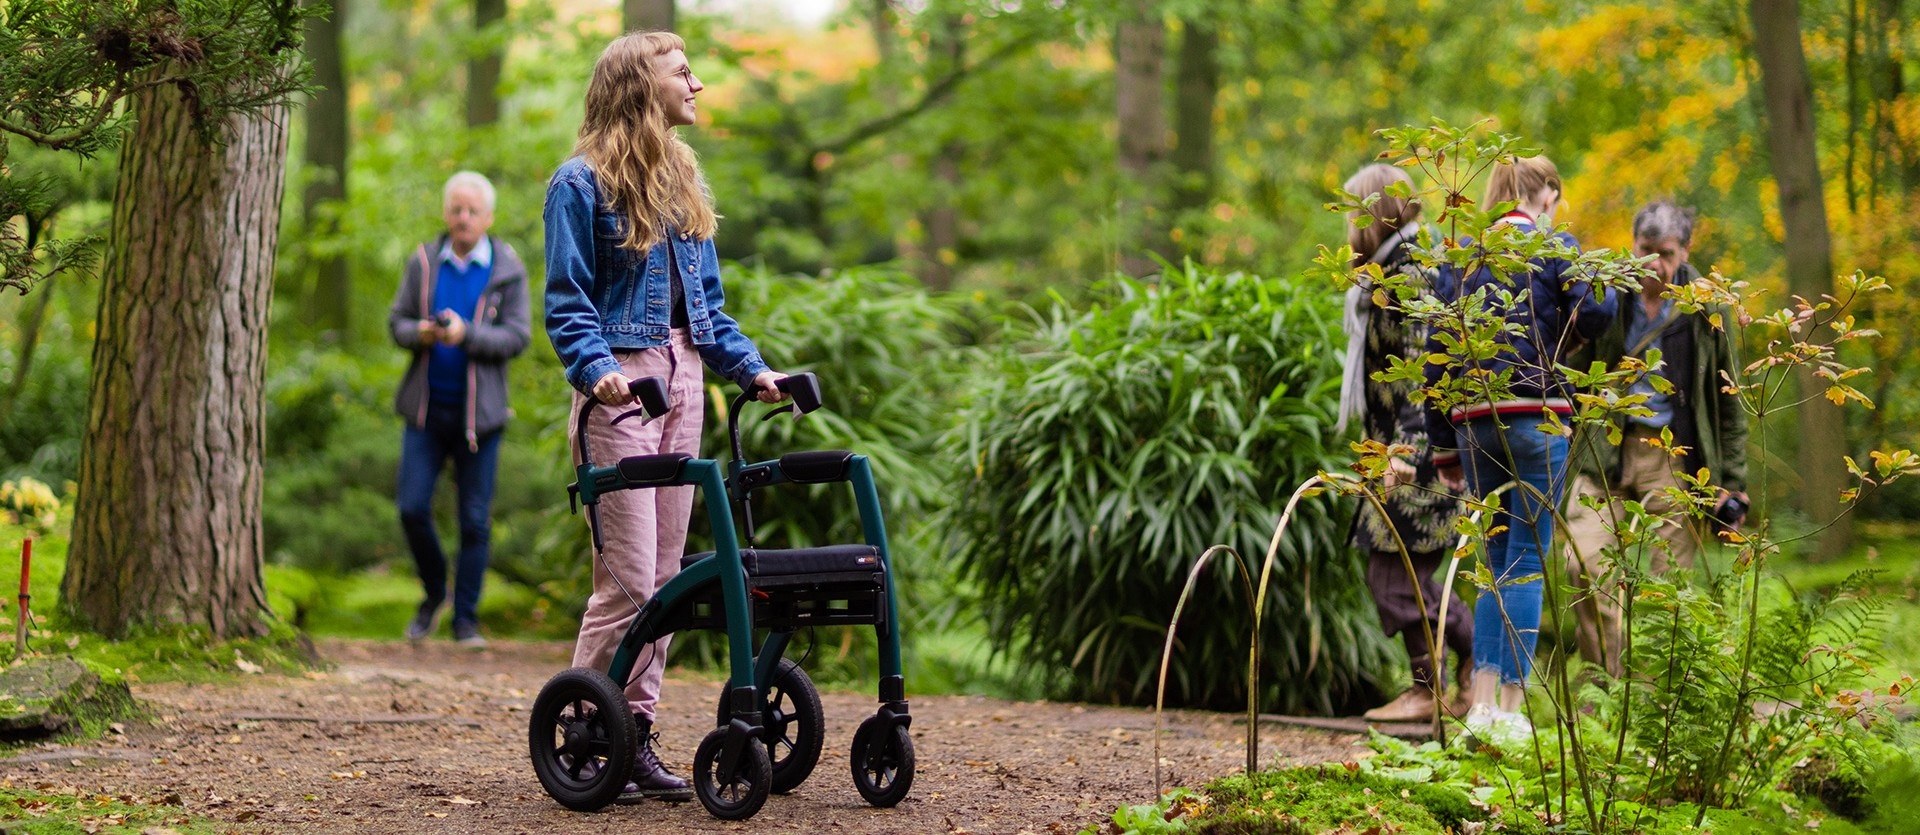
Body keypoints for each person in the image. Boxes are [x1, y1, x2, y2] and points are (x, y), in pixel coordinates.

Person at [543, 31, 789, 804]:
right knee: (626, 581)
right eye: (684, 73)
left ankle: (635, 735)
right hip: (623, 382)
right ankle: (588, 733)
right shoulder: (579, 184)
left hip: (682, 380)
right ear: (637, 85)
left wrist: (753, 368)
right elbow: (567, 301)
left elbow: (707, 313)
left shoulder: (683, 178)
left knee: (667, 583)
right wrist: (600, 372)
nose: (699, 84)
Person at [1423, 155, 1616, 740]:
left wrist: (1444, 450)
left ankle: (1478, 703)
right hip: (1536, 417)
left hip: (1474, 422)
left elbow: (1435, 355)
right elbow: (1601, 311)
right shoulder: (1554, 244)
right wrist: (1573, 330)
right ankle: (1509, 710)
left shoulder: (1465, 258)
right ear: (1549, 194)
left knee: (1492, 562)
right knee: (1528, 560)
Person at [1561, 201, 1748, 677]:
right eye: (1645, 251)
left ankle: (1657, 706)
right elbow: (1572, 370)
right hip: (1604, 449)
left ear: (1684, 252)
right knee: (1582, 565)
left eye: (1665, 253)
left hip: (1674, 457)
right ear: (1632, 245)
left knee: (1670, 589)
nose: (1654, 265)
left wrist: (1733, 481)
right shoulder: (1606, 294)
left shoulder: (1707, 308)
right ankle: (1606, 693)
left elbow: (1729, 399)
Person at [1336, 163, 1474, 723]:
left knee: (1396, 581)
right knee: (1394, 577)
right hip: (1396, 452)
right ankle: (1439, 681)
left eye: (1352, 212)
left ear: (1374, 214)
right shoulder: (1386, 272)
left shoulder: (1413, 273)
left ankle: (1445, 676)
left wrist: (1409, 455)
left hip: (1422, 457)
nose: (1346, 227)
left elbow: (1424, 369)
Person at [389, 170, 531, 649]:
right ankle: (434, 594)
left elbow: (517, 337)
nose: (463, 218)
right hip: (427, 412)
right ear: (446, 213)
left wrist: (465, 335)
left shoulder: (507, 268)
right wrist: (423, 334)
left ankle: (465, 621)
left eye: (472, 210)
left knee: (474, 520)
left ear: (488, 217)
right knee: (411, 508)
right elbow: (397, 324)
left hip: (481, 419)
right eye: (456, 209)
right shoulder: (424, 262)